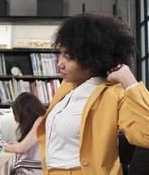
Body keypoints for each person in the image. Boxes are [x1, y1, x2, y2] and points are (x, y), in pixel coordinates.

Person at [34, 13, 149, 175]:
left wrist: (129, 81)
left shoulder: (114, 94)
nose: (60, 64)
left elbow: (147, 135)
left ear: (92, 58)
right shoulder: (66, 88)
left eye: (69, 57)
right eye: (60, 54)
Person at [5, 92, 46, 175]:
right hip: (34, 168)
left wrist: (4, 146)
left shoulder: (40, 121)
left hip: (33, 170)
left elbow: (20, 149)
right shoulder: (42, 120)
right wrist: (15, 144)